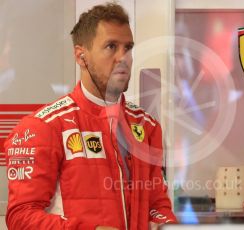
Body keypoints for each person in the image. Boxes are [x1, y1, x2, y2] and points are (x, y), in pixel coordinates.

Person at [4, 2, 177, 230]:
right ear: (81, 56)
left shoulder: (146, 126)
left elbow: (157, 205)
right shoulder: (44, 127)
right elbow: (21, 216)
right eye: (111, 47)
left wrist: (168, 224)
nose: (123, 57)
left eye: (128, 47)